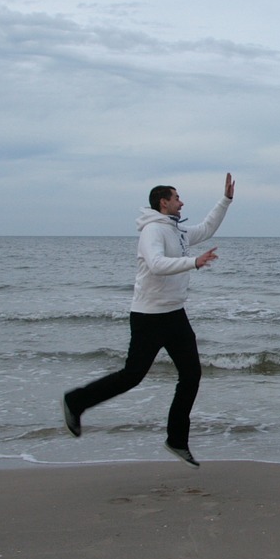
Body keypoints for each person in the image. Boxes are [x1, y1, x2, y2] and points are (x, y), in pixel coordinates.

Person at [62, 173, 235, 467]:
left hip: (175, 314)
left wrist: (226, 200)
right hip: (149, 316)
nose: (182, 202)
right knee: (132, 376)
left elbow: (206, 229)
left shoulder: (176, 231)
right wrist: (194, 262)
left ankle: (177, 439)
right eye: (177, 197)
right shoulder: (152, 232)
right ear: (163, 202)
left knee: (191, 375)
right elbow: (155, 265)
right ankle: (76, 401)